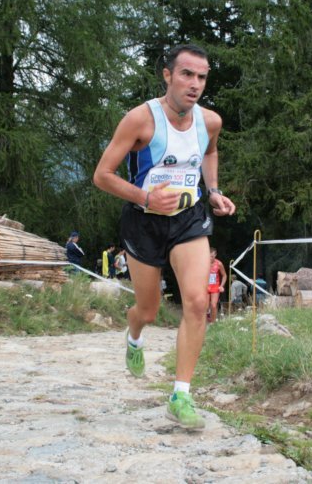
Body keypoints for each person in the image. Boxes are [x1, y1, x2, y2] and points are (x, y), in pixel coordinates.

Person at [93, 43, 236, 429]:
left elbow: (209, 153)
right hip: (144, 222)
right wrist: (146, 197)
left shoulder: (210, 122)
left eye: (202, 77)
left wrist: (213, 190)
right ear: (168, 75)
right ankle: (134, 333)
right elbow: (102, 175)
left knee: (197, 302)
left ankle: (181, 395)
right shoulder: (140, 120)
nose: (195, 84)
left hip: (189, 219)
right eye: (187, 74)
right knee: (149, 310)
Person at [206, 247, 226, 323]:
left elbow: (224, 275)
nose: (211, 258)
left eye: (212, 256)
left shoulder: (219, 264)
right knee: (206, 306)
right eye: (209, 256)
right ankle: (208, 314)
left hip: (215, 287)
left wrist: (221, 285)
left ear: (215, 255)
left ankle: (213, 323)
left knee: (213, 305)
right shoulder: (204, 262)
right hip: (205, 287)